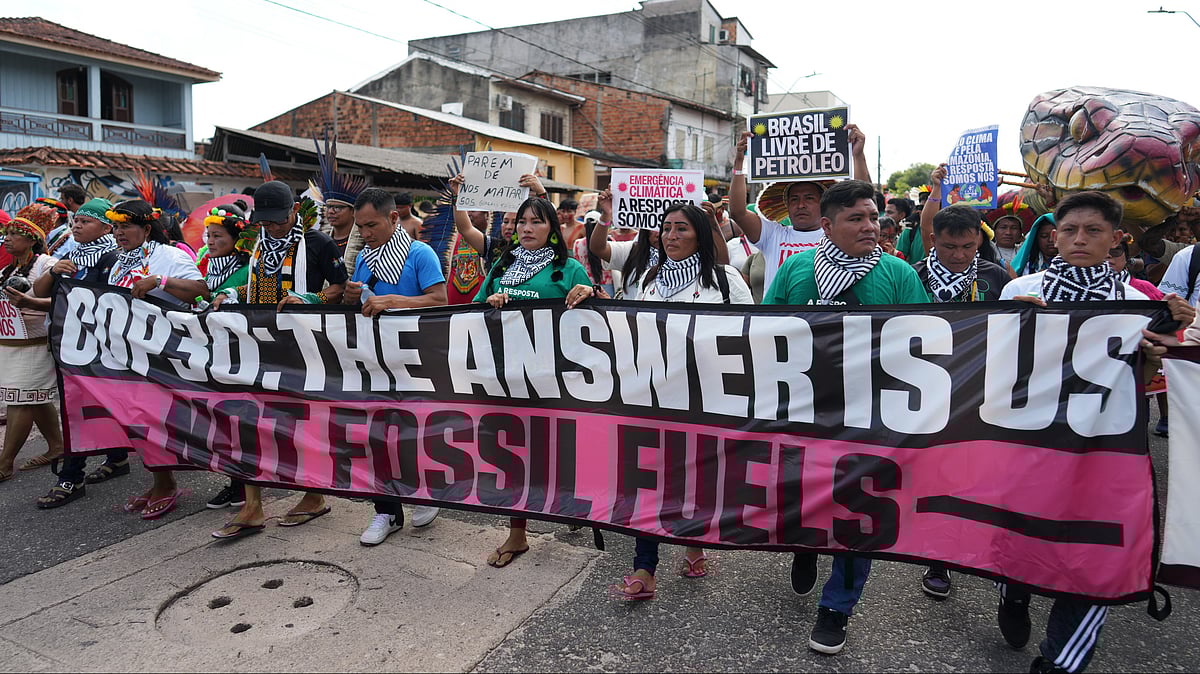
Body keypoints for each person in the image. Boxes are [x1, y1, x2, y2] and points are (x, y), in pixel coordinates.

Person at [763, 179, 927, 655]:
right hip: (802, 413)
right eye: (857, 218)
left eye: (874, 217)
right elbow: (765, 333)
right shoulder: (795, 269)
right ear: (828, 225)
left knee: (861, 514)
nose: (870, 226)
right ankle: (804, 544)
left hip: (871, 420)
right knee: (802, 497)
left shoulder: (898, 275)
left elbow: (928, 338)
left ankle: (837, 608)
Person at [998, 191, 1160, 673]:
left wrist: (1158, 352)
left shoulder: (1140, 302)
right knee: (1025, 535)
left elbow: (1152, 381)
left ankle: (1061, 660)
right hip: (1032, 441)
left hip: (1106, 451)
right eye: (1069, 230)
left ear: (1116, 238)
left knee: (1096, 554)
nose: (1079, 239)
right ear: (1053, 236)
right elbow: (991, 372)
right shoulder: (1021, 291)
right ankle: (1015, 589)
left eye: (1093, 231)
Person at [610, 201, 752, 601]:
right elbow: (626, 327)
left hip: (706, 399)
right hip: (653, 398)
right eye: (667, 228)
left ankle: (694, 543)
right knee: (646, 479)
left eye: (682, 229)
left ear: (701, 235)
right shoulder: (646, 280)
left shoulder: (725, 280)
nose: (671, 236)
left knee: (697, 477)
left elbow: (751, 334)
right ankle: (644, 567)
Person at [210, 181, 348, 536]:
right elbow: (259, 287)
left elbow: (340, 287)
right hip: (260, 345)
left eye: (276, 221)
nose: (269, 227)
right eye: (264, 222)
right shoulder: (260, 245)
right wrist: (230, 292)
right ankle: (252, 506)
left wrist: (311, 299)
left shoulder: (318, 243)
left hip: (306, 347)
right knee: (248, 419)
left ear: (293, 213)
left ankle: (314, 495)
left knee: (303, 423)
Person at [472, 195, 594, 567]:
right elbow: (472, 313)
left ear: (552, 230)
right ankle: (517, 534)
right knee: (515, 453)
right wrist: (489, 302)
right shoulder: (501, 266)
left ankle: (570, 505)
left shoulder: (569, 268)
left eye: (536, 222)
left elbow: (595, 314)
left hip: (556, 379)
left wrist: (588, 292)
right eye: (522, 221)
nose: (525, 228)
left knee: (558, 449)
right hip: (509, 377)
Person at [341, 188, 447, 545]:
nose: (365, 233)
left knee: (416, 430)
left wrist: (393, 302)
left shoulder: (421, 254)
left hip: (417, 357)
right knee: (376, 435)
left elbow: (439, 300)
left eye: (371, 225)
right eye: (360, 227)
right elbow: (361, 303)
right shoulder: (364, 259)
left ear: (393, 219)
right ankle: (385, 510)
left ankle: (425, 491)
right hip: (375, 357)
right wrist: (352, 297)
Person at [96, 199, 208, 518]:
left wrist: (160, 282)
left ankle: (171, 482)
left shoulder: (169, 255)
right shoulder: (116, 261)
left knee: (160, 420)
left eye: (125, 226)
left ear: (146, 229)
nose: (118, 233)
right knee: (137, 420)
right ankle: (161, 479)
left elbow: (202, 291)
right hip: (126, 354)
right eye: (115, 227)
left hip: (164, 354)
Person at [30, 199, 122, 507]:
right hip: (67, 343)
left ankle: (72, 475)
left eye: (86, 221)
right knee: (79, 407)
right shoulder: (71, 255)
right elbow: (42, 293)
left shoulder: (112, 258)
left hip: (95, 348)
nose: (77, 225)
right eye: (76, 220)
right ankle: (116, 458)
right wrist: (55, 270)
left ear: (107, 227)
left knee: (85, 408)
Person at [729, 124, 871, 291]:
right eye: (794, 199)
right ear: (787, 205)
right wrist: (740, 162)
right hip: (780, 317)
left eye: (809, 198)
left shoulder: (838, 235)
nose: (801, 205)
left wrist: (858, 155)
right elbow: (738, 213)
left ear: (823, 203)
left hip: (825, 317)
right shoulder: (773, 235)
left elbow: (861, 203)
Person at [197, 200, 254, 510]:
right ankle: (234, 482)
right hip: (208, 353)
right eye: (209, 235)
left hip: (235, 354)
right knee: (218, 421)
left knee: (237, 421)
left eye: (218, 236)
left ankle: (244, 485)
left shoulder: (247, 269)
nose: (211, 242)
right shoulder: (204, 263)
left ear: (235, 238)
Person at [0, 206, 62, 482]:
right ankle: (57, 446)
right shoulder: (6, 269)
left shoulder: (47, 265)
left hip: (36, 344)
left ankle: (4, 462)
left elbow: (62, 302)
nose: (7, 238)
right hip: (10, 344)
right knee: (35, 399)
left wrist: (29, 303)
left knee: (20, 401)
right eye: (7, 233)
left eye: (14, 234)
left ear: (31, 238)